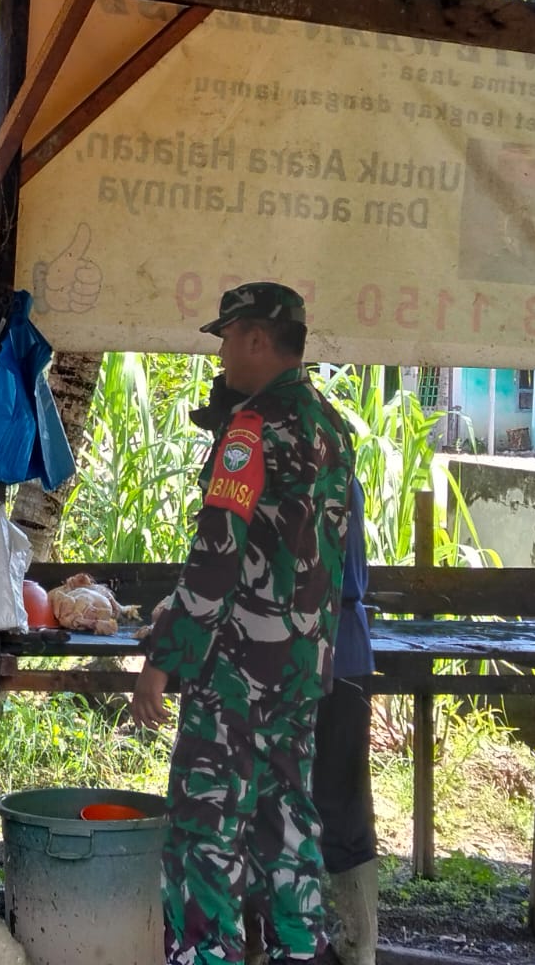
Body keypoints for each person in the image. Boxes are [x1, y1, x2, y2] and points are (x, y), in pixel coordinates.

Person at [133, 283, 355, 965]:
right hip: (300, 671)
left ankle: (205, 956)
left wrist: (161, 662)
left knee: (203, 834)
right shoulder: (332, 427)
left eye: (228, 338)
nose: (223, 354)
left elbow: (215, 562)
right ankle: (301, 953)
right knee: (288, 828)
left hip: (235, 676)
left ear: (258, 338)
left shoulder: (251, 431)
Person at [312, 475, 378, 965]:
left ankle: (269, 944)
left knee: (278, 801)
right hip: (349, 650)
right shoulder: (343, 471)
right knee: (346, 805)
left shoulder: (287, 461)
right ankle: (359, 945)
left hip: (305, 651)